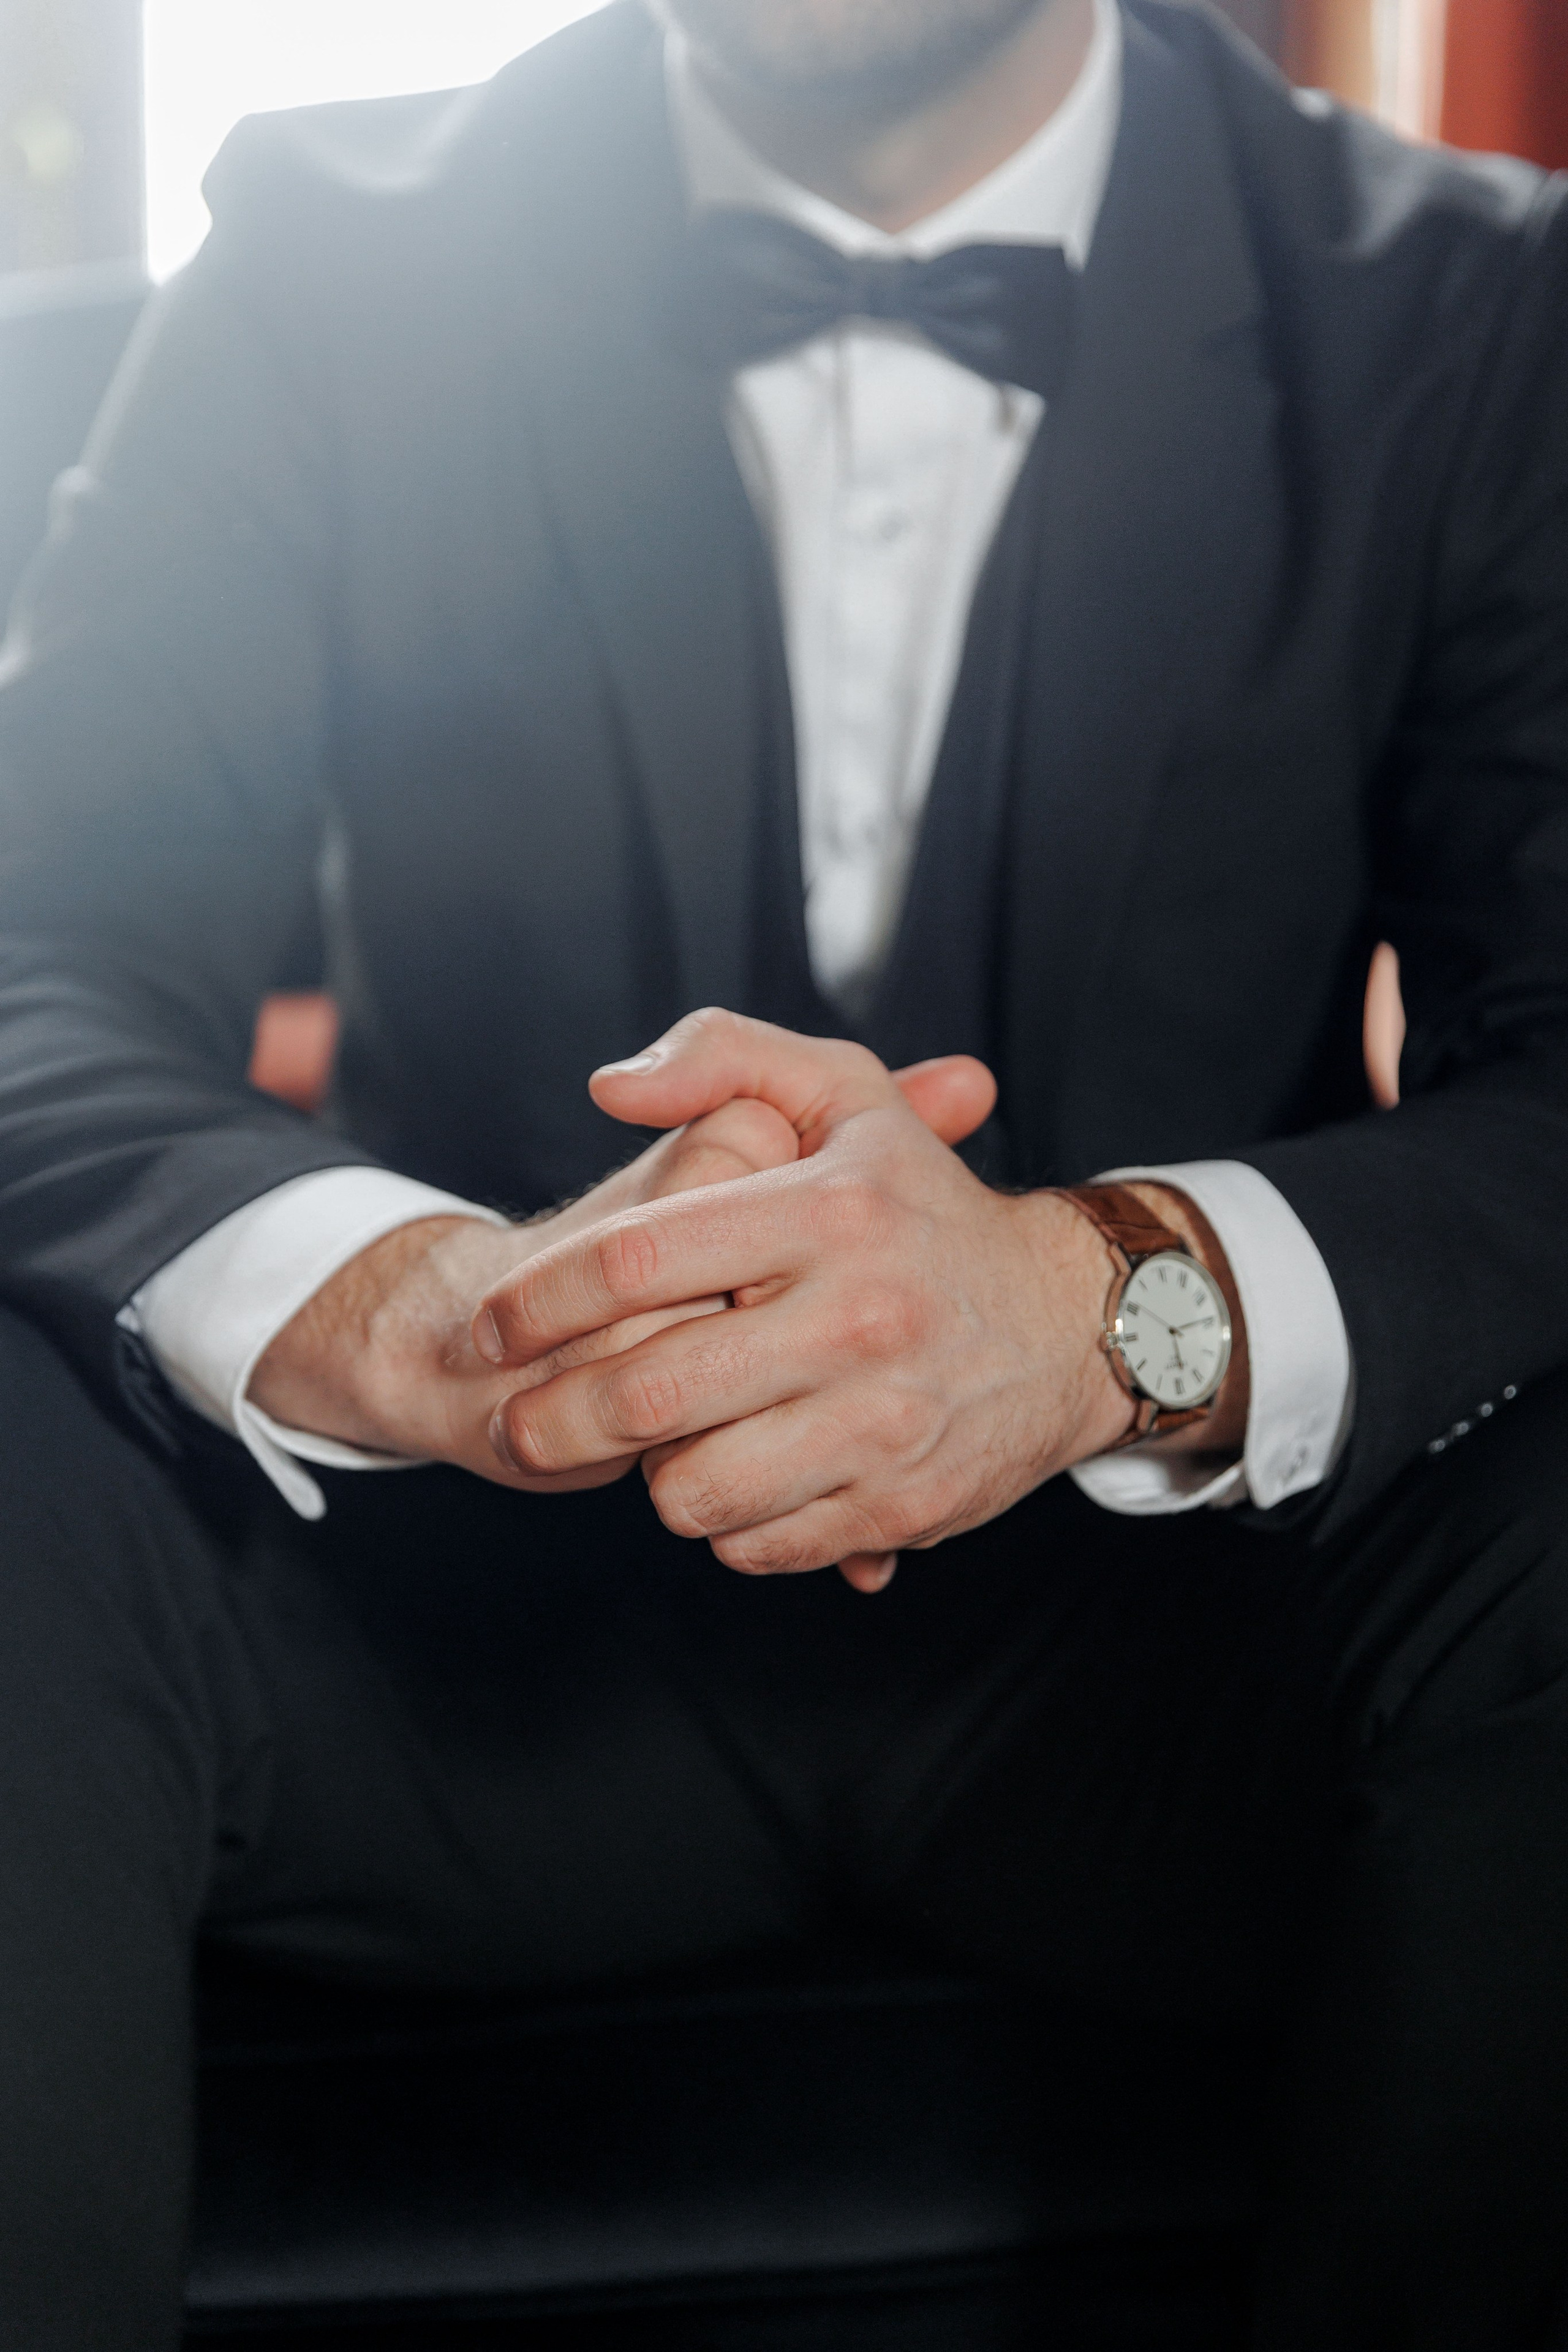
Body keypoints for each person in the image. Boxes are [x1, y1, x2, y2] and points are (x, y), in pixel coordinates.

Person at [0, 0, 1566, 2341]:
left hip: (1165, 1667)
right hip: (453, 1650)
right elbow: (40, 954)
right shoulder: (328, 246)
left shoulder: (1476, 297)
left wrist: (1105, 1304)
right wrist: (413, 1303)